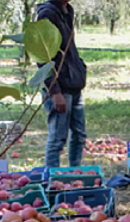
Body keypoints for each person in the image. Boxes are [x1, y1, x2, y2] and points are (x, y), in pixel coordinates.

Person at [36, 0, 89, 168]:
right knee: (58, 139)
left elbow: (69, 48)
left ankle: (75, 173)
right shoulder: (48, 14)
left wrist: (80, 68)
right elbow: (42, 57)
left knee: (79, 135)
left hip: (73, 84)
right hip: (60, 87)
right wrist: (55, 91)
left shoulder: (67, 11)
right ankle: (53, 178)